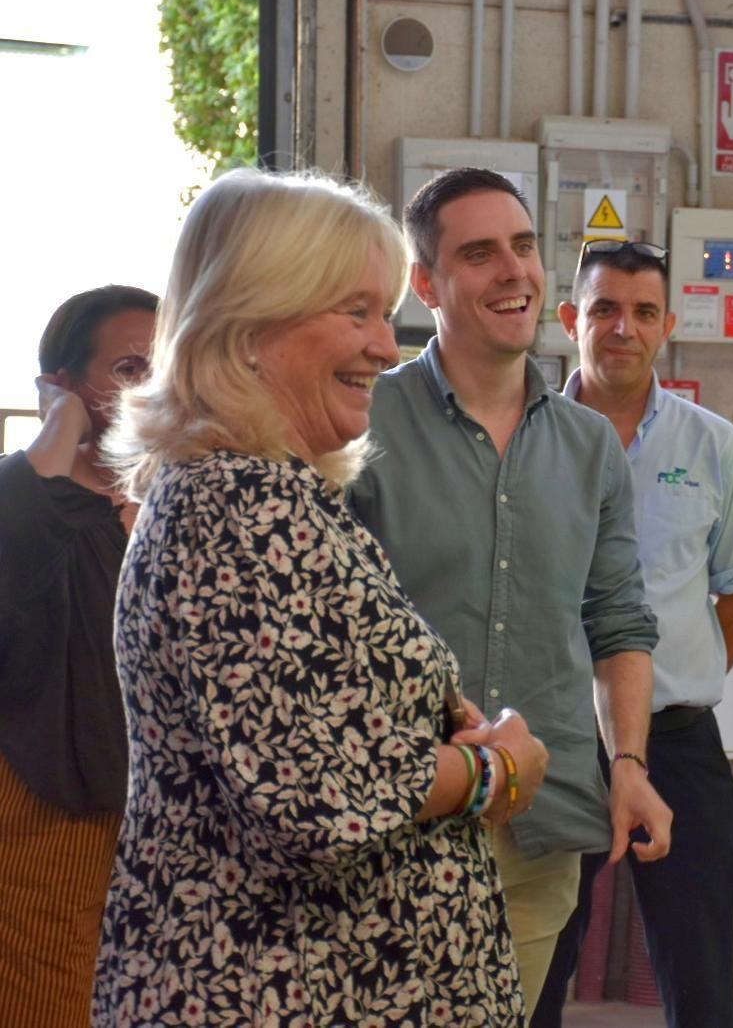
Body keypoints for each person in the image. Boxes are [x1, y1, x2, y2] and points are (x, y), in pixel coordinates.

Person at [92, 169, 546, 1025]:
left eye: (384, 312)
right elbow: (317, 800)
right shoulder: (243, 506)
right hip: (289, 987)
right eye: (356, 313)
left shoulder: (259, 495)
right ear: (251, 328)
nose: (386, 344)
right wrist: (495, 769)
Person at [350, 168, 672, 1009]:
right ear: (427, 283)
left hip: (539, 818)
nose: (514, 271)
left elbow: (618, 621)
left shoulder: (590, 445)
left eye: (524, 247)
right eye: (480, 252)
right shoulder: (361, 426)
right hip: (400, 816)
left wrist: (629, 763)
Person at [531, 239, 733, 1027]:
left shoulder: (716, 449)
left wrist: (674, 681)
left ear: (668, 323)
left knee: (701, 979)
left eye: (641, 312)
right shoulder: (523, 441)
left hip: (677, 742)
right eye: (603, 309)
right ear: (570, 319)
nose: (622, 329)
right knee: (531, 968)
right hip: (549, 740)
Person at [0, 285, 155, 1028]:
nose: (149, 388)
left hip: (157, 840)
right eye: (128, 367)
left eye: (165, 367)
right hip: (45, 828)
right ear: (62, 381)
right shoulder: (34, 498)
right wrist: (59, 421)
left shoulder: (177, 505)